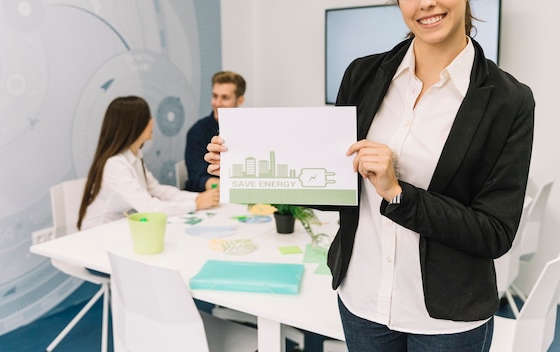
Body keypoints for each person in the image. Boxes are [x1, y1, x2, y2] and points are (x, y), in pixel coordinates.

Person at [205, 0, 535, 351]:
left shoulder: (509, 101)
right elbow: (335, 183)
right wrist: (244, 169)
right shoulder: (362, 75)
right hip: (362, 301)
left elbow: (495, 234)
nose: (426, 4)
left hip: (446, 318)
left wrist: (398, 193)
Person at [77, 96, 219, 230]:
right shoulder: (114, 165)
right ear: (134, 125)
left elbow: (157, 190)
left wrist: (197, 197)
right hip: (99, 235)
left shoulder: (135, 157)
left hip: (122, 229)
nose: (153, 122)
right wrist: (195, 204)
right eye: (148, 118)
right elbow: (148, 207)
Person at [184, 71, 246, 192]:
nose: (217, 103)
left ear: (240, 100)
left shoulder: (248, 130)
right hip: (212, 199)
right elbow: (198, 178)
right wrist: (236, 189)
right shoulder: (197, 132)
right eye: (215, 96)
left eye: (225, 97)